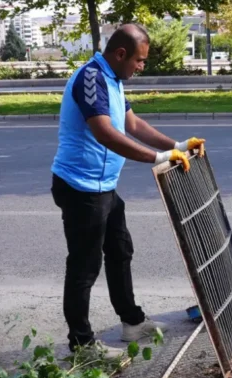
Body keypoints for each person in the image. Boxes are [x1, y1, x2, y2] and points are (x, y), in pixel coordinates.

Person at [50, 24, 206, 358]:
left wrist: (176, 145)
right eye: (139, 60)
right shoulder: (91, 78)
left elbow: (133, 125)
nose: (141, 67)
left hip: (103, 187)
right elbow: (106, 133)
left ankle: (132, 322)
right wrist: (159, 157)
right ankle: (81, 344)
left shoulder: (114, 80)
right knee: (84, 267)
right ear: (121, 54)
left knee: (120, 251)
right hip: (80, 189)